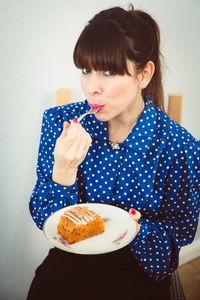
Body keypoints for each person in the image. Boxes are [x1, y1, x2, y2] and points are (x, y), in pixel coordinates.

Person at [27, 4, 200, 300]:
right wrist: (64, 172)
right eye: (86, 70)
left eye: (109, 71)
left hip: (139, 268)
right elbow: (46, 220)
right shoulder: (59, 124)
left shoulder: (180, 146)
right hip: (70, 262)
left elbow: (178, 237)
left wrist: (136, 229)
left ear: (143, 75)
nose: (93, 87)